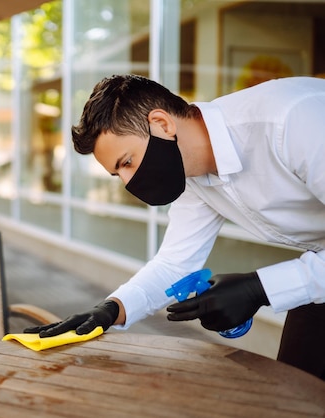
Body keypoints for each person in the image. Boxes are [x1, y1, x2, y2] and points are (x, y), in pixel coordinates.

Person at [25, 75, 325, 380]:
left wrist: (259, 287)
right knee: (297, 390)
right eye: (118, 174)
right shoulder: (193, 174)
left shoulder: (294, 121)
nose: (128, 182)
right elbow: (174, 264)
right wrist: (112, 309)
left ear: (162, 124)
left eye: (126, 162)